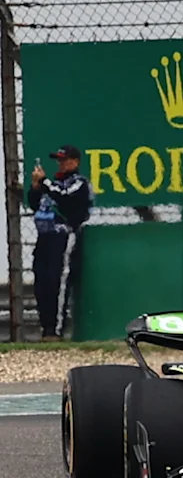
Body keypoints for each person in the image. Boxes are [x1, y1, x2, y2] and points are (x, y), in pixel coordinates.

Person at [23, 144, 90, 340]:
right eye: (59, 160)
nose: (61, 163)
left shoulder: (79, 183)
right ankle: (46, 328)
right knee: (41, 283)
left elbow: (64, 197)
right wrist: (36, 187)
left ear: (75, 161)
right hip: (44, 238)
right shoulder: (52, 184)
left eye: (65, 160)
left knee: (57, 281)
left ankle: (57, 329)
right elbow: (36, 204)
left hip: (63, 237)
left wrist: (44, 182)